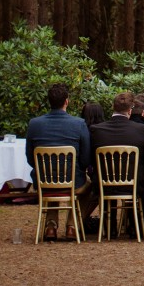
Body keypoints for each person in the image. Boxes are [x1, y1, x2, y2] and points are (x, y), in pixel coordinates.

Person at [26, 83, 95, 239]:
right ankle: (72, 225)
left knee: (51, 176)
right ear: (67, 101)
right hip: (73, 183)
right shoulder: (79, 124)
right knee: (90, 185)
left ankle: (51, 226)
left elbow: (31, 159)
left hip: (44, 182)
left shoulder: (34, 124)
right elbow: (85, 159)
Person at [90, 92, 144, 238]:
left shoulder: (97, 130)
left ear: (113, 107)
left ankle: (110, 227)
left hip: (104, 183)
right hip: (134, 184)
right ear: (130, 110)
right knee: (138, 172)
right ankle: (132, 226)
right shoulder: (141, 130)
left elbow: (91, 158)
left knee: (107, 173)